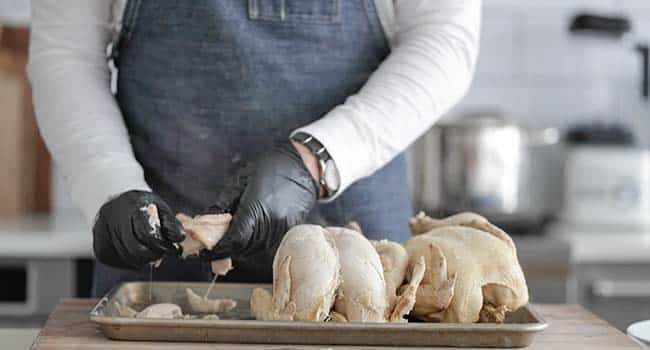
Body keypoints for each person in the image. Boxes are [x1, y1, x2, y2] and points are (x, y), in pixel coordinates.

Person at [28, 0, 481, 297]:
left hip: (359, 271)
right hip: (158, 273)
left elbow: (444, 39)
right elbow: (66, 55)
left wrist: (317, 160)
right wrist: (108, 185)